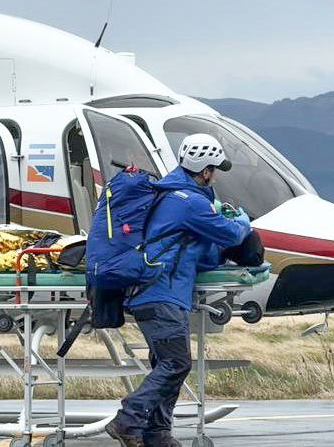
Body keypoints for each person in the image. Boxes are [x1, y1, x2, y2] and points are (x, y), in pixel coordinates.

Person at [105, 134, 251, 447]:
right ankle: (128, 418)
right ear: (206, 171)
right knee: (176, 364)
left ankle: (157, 434)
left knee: (167, 365)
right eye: (214, 170)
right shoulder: (190, 202)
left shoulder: (170, 195)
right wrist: (243, 222)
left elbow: (200, 255)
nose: (215, 175)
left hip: (156, 294)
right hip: (161, 295)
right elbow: (231, 235)